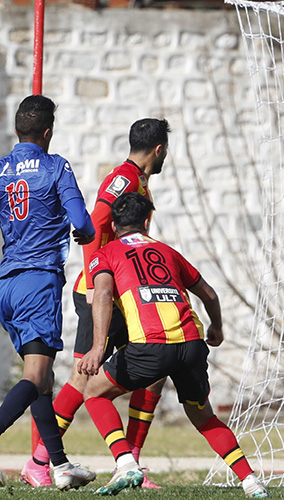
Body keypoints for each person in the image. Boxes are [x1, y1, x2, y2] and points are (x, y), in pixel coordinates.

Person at [75, 193, 268, 497]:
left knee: (94, 393)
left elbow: (101, 294)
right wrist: (217, 327)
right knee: (204, 418)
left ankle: (126, 464)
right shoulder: (168, 251)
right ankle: (251, 481)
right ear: (147, 221)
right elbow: (210, 295)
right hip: (191, 344)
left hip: (150, 346)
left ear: (113, 224)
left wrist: (98, 348)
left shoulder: (106, 252)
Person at [22, 118, 171, 489]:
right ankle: (40, 462)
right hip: (99, 292)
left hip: (122, 294)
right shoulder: (123, 178)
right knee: (82, 376)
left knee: (152, 376)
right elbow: (94, 222)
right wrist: (94, 275)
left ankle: (131, 465)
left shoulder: (140, 180)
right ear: (159, 149)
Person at [0, 95, 98, 489]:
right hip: (38, 282)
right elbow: (83, 223)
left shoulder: (2, 169)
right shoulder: (56, 167)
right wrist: (84, 232)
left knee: (40, 378)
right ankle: (55, 464)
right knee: (38, 373)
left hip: (7, 282)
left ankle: (57, 465)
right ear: (47, 132)